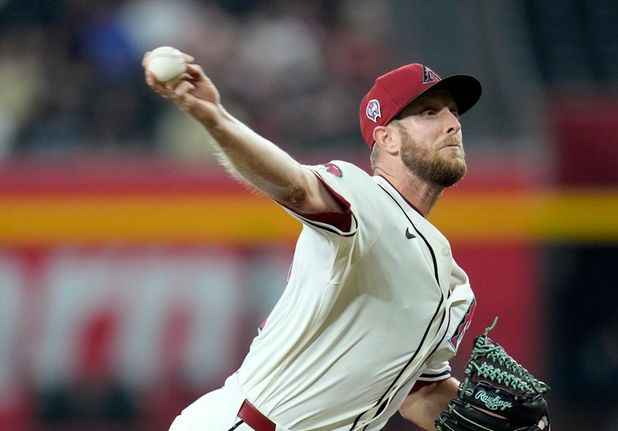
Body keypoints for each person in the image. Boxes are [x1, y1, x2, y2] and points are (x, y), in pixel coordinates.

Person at [144, 52, 484, 431]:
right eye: (429, 113)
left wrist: (500, 421)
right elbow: (294, 186)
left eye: (453, 112)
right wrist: (215, 118)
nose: (452, 124)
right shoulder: (365, 199)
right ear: (386, 137)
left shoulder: (456, 288)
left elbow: (420, 392)